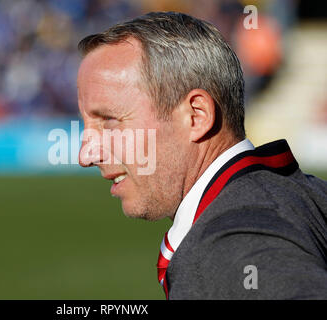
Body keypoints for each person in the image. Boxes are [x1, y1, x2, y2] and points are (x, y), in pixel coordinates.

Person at [76, 12, 327, 299]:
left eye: (109, 121)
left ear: (196, 116)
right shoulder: (303, 194)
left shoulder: (236, 238)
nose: (86, 154)